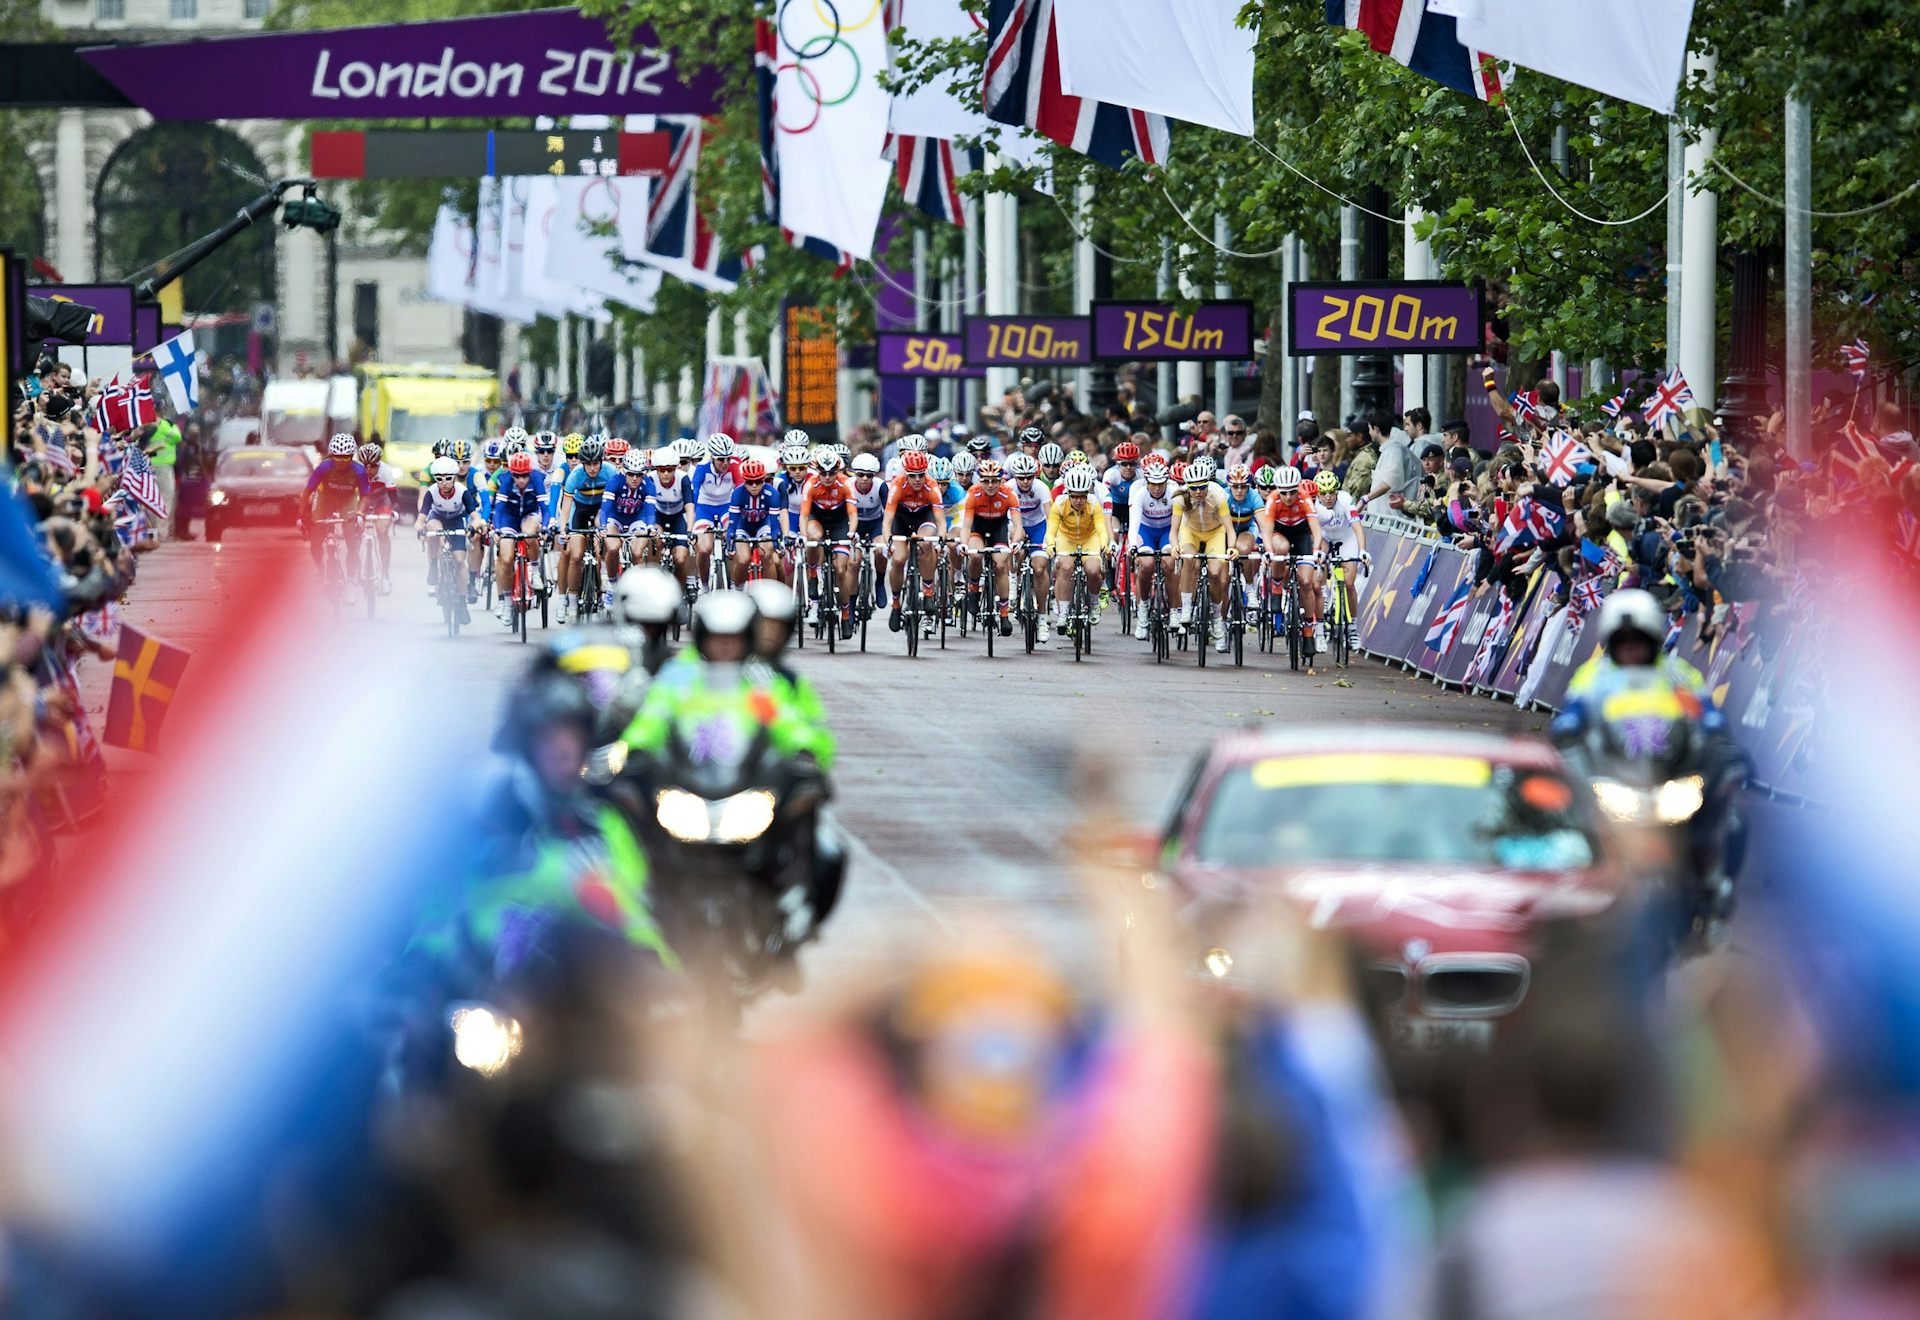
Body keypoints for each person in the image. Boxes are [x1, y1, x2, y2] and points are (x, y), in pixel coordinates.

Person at [1553, 589, 1712, 739]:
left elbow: (1710, 717)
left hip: (1669, 761)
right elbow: (1572, 711)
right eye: (1621, 641)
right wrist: (1568, 724)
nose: (1630, 648)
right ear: (1611, 644)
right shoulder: (1592, 674)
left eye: (1639, 639)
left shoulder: (1679, 673)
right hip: (1609, 762)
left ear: (1653, 640)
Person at [1256, 465, 1325, 649]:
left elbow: (1316, 529)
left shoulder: (1304, 498)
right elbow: (1267, 531)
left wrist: (1317, 549)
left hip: (1302, 534)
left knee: (1305, 582)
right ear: (1278, 490)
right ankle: (1277, 587)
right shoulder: (1272, 499)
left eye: (1292, 492)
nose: (1288, 497)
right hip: (1280, 533)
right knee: (1281, 548)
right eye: (1284, 492)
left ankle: (1309, 630)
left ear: (1298, 489)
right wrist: (1269, 551)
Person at [880, 449, 945, 635]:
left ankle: (928, 593)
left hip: (923, 518)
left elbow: (940, 521)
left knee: (926, 544)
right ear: (905, 474)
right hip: (901, 520)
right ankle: (896, 603)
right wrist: (889, 542)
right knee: (899, 559)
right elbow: (887, 522)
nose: (917, 480)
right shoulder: (897, 486)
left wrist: (941, 540)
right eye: (912, 476)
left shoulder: (932, 487)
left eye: (921, 475)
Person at [1043, 464, 1111, 637]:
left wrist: (1104, 544)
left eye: (1082, 496)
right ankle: (1064, 613)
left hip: (1090, 538)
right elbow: (1051, 530)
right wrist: (1051, 545)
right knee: (1065, 568)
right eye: (1075, 496)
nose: (1079, 500)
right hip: (1067, 538)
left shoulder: (1094, 504)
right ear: (1068, 494)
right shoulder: (1059, 504)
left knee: (1094, 569)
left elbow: (1101, 529)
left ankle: (1094, 602)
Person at [798, 450, 859, 640]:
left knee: (841, 569)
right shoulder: (811, 484)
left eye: (831, 473)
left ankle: (846, 614)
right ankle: (814, 576)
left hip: (840, 522)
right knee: (813, 538)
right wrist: (803, 535)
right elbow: (804, 515)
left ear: (837, 471)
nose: (827, 477)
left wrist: (851, 532)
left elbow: (852, 514)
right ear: (817, 472)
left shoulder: (845, 484)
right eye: (823, 473)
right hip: (818, 519)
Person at [554, 436, 611, 623]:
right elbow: (566, 507)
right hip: (580, 511)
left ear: (601, 461)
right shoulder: (576, 475)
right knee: (576, 555)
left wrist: (604, 526)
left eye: (596, 463)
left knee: (598, 549)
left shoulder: (609, 472)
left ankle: (602, 591)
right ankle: (571, 603)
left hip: (601, 510)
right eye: (588, 464)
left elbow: (612, 502)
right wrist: (563, 529)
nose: (593, 468)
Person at [299, 432, 370, 581]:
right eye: (337, 458)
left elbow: (365, 496)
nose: (341, 462)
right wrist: (302, 516)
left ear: (352, 456)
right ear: (331, 456)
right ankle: (320, 568)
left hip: (347, 499)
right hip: (325, 498)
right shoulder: (323, 468)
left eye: (346, 458)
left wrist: (359, 513)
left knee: (352, 541)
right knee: (316, 539)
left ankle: (350, 580)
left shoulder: (359, 471)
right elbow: (307, 493)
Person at [1313, 470, 1370, 650]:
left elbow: (1357, 527)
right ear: (1317, 493)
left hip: (1346, 538)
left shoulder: (1345, 499)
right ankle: (1319, 629)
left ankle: (1352, 628)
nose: (1328, 497)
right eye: (1323, 493)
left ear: (1337, 491)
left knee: (1349, 583)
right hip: (1323, 538)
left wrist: (1362, 551)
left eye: (1332, 492)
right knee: (1318, 582)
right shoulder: (1312, 503)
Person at [491, 450, 550, 624]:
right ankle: (507, 602)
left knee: (531, 533)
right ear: (512, 473)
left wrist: (546, 526)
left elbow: (545, 509)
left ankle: (534, 571)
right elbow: (499, 509)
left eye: (524, 476)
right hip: (510, 517)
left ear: (529, 473)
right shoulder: (506, 479)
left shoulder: (537, 478)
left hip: (529, 514)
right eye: (517, 476)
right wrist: (497, 530)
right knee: (506, 558)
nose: (521, 480)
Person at [416, 456, 479, 619]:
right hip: (438, 518)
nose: (444, 483)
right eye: (439, 479)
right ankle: (435, 564)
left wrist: (474, 526)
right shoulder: (431, 492)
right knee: (432, 528)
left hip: (456, 521)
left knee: (459, 560)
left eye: (448, 479)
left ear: (455, 477)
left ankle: (462, 600)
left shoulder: (462, 491)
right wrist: (419, 526)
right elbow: (422, 515)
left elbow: (474, 515)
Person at [1128, 457, 1179, 641]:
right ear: (1147, 482)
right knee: (1146, 564)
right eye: (1153, 484)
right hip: (1146, 531)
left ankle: (1174, 611)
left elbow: (1180, 522)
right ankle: (1143, 611)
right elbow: (1134, 523)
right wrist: (1132, 545)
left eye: (1161, 484)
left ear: (1167, 481)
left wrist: (1178, 545)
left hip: (1167, 531)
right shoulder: (1140, 493)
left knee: (1170, 563)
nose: (1157, 488)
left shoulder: (1174, 492)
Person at [690, 432, 742, 590]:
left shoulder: (734, 467)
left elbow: (740, 491)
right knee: (705, 549)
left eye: (728, 458)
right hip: (704, 509)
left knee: (734, 541)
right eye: (721, 459)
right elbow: (693, 497)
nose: (725, 463)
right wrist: (691, 526)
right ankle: (704, 585)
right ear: (712, 457)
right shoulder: (702, 469)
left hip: (726, 508)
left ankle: (734, 584)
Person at [726, 458, 789, 586]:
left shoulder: (772, 494)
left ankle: (771, 594)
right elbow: (732, 525)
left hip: (763, 525)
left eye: (758, 481)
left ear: (764, 479)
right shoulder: (738, 493)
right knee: (743, 559)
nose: (754, 486)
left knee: (767, 555)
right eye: (750, 482)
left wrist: (777, 545)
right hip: (743, 526)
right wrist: (730, 544)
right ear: (744, 481)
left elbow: (775, 527)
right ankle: (738, 593)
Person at [596, 449, 651, 591]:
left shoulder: (648, 484)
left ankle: (640, 590)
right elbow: (605, 508)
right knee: (613, 548)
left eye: (639, 475)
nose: (634, 478)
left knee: (637, 553)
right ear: (624, 471)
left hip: (637, 519)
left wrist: (651, 527)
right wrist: (602, 526)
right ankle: (612, 585)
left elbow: (651, 511)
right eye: (631, 474)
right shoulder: (614, 481)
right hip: (616, 518)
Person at [641, 446, 695, 583]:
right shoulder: (650, 479)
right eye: (661, 470)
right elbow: (648, 506)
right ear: (656, 469)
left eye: (670, 470)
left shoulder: (683, 478)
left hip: (678, 518)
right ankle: (655, 580)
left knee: (681, 558)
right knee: (654, 541)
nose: (666, 473)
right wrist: (651, 527)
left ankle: (679, 590)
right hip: (658, 516)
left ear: (676, 468)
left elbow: (689, 507)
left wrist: (690, 531)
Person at [358, 441, 401, 594]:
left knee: (382, 530)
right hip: (363, 499)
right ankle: (357, 570)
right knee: (354, 529)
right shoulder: (357, 471)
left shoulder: (385, 471)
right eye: (366, 465)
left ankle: (384, 574)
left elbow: (393, 496)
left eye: (373, 465)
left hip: (382, 500)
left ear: (379, 463)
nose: (369, 469)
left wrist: (394, 511)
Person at [1362, 409, 1420, 515]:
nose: (1369, 432)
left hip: (1391, 518)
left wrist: (1365, 499)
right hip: (1383, 517)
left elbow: (1388, 482)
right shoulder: (1389, 450)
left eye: (1370, 429)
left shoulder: (1393, 451)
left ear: (1376, 429)